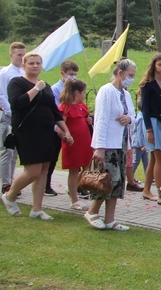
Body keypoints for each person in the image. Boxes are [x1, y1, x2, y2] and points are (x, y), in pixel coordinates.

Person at [1, 52, 73, 220]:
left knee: (43, 171)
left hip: (46, 131)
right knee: (32, 171)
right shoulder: (17, 82)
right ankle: (10, 195)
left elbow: (54, 111)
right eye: (31, 63)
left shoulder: (46, 86)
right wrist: (36, 88)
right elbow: (17, 103)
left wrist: (65, 131)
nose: (35, 66)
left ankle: (37, 208)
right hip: (27, 132)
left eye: (38, 63)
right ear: (24, 65)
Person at [84, 59, 137, 231]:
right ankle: (92, 211)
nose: (131, 79)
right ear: (120, 73)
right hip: (108, 143)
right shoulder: (106, 91)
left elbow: (134, 116)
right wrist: (99, 146)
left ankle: (110, 218)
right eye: (130, 75)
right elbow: (101, 120)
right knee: (107, 179)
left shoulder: (126, 94)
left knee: (117, 181)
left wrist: (129, 119)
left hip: (121, 142)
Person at [58, 78, 94, 212]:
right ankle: (74, 199)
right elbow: (60, 126)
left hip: (85, 141)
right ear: (76, 93)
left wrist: (88, 120)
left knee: (86, 168)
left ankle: (78, 188)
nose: (84, 95)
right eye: (83, 92)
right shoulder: (65, 107)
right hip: (73, 142)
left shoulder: (81, 105)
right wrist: (66, 136)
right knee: (74, 170)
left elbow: (85, 119)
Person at [139, 53, 161, 204]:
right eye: (160, 65)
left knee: (154, 158)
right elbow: (145, 109)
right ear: (154, 66)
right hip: (153, 122)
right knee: (160, 157)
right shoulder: (148, 85)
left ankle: (146, 189)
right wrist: (149, 130)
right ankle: (160, 192)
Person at [47, 59, 80, 196]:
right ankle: (46, 184)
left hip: (72, 129)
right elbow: (55, 110)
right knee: (52, 157)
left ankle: (76, 185)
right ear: (63, 73)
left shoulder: (75, 88)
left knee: (74, 160)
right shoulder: (55, 89)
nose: (73, 77)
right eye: (70, 74)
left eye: (75, 74)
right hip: (57, 128)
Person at [0, 42, 26, 194]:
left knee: (15, 152)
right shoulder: (5, 74)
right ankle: (6, 183)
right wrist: (11, 111)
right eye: (19, 55)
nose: (21, 58)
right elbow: (2, 95)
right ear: (11, 55)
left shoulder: (23, 73)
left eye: (23, 55)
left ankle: (12, 180)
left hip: (21, 117)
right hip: (8, 115)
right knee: (7, 150)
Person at [131, 97, 149, 180]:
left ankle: (148, 176)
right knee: (136, 161)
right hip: (139, 144)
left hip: (142, 144)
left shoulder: (140, 116)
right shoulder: (141, 118)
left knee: (146, 161)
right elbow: (140, 133)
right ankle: (130, 176)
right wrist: (142, 144)